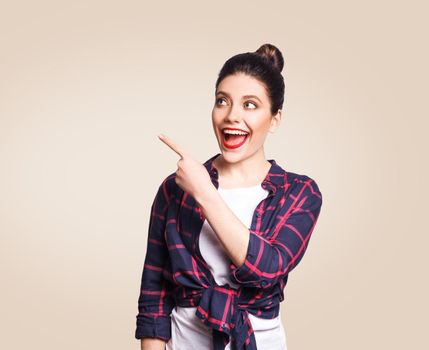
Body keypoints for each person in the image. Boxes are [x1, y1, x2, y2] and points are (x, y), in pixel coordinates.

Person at [135, 43, 323, 350]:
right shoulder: (174, 189)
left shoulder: (299, 193)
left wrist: (205, 193)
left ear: (274, 119)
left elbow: (266, 270)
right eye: (222, 101)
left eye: (250, 105)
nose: (232, 116)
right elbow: (154, 292)